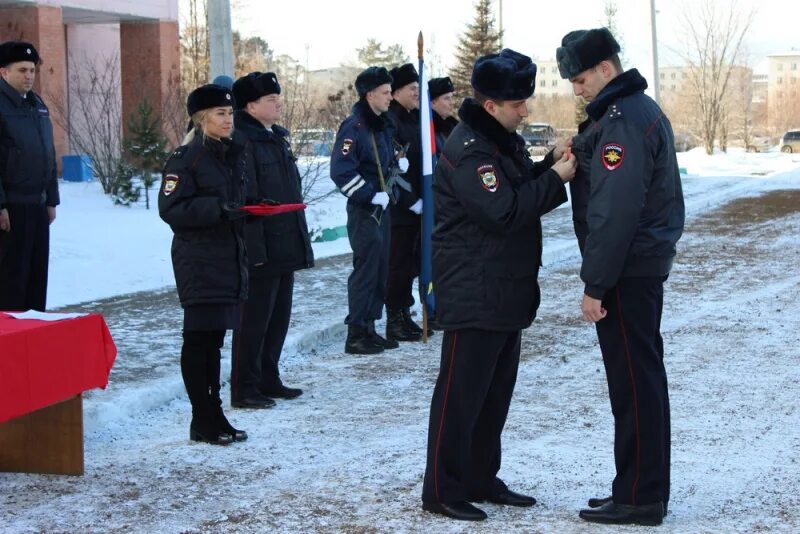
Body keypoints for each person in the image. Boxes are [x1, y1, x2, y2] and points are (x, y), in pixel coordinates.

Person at [421, 49, 577, 521]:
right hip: (475, 291)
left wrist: (545, 164)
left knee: (493, 394)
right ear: (492, 106)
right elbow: (503, 211)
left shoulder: (497, 140)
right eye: (518, 105)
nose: (526, 111)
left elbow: (513, 186)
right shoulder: (470, 150)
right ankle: (442, 489)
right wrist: (554, 179)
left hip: (501, 290)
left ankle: (480, 477)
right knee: (460, 395)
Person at [556, 28, 685, 526]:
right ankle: (635, 486)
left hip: (628, 270)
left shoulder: (624, 118)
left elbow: (615, 210)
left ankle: (640, 495)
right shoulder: (624, 114)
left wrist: (595, 284)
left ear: (606, 69)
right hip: (633, 266)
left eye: (581, 78)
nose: (576, 89)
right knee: (637, 381)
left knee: (635, 383)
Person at [159, 84, 249, 446]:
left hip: (226, 257)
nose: (229, 120)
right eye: (220, 114)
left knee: (215, 340)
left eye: (230, 113)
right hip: (198, 260)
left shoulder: (228, 154)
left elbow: (231, 201)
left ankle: (214, 413)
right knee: (198, 340)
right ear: (201, 119)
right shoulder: (186, 158)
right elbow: (171, 209)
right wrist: (219, 210)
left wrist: (253, 209)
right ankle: (202, 417)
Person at [229, 71, 314, 408]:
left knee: (278, 317)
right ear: (250, 106)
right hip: (261, 246)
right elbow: (247, 200)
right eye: (270, 99)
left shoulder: (275, 138)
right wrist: (256, 249)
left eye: (277, 97)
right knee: (253, 320)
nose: (278, 103)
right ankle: (244, 386)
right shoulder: (243, 141)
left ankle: (268, 376)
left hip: (284, 242)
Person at [330, 66, 400, 355]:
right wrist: (371, 196)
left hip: (381, 210)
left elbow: (381, 163)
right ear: (370, 95)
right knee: (366, 270)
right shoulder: (355, 127)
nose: (390, 98)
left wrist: (398, 163)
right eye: (385, 93)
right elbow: (341, 171)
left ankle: (370, 326)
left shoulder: (380, 125)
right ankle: (356, 333)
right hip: (365, 211)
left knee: (380, 268)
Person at [0, 41, 59, 312]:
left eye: (32, 70)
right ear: (3, 73)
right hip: (11, 209)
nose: (29, 76)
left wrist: (51, 199)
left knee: (37, 280)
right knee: (12, 283)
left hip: (36, 205)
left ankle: (32, 342)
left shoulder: (37, 104)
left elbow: (47, 152)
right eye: (22, 70)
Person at [384, 63, 425, 343]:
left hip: (418, 204)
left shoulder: (415, 118)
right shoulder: (391, 121)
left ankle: (405, 314)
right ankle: (394, 318)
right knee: (397, 265)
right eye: (412, 88)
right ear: (396, 92)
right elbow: (393, 169)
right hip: (400, 206)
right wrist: (410, 201)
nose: (417, 93)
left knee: (410, 263)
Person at [428, 76, 458, 156]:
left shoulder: (454, 127)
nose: (452, 102)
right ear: (432, 102)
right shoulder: (427, 130)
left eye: (452, 97)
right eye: (447, 98)